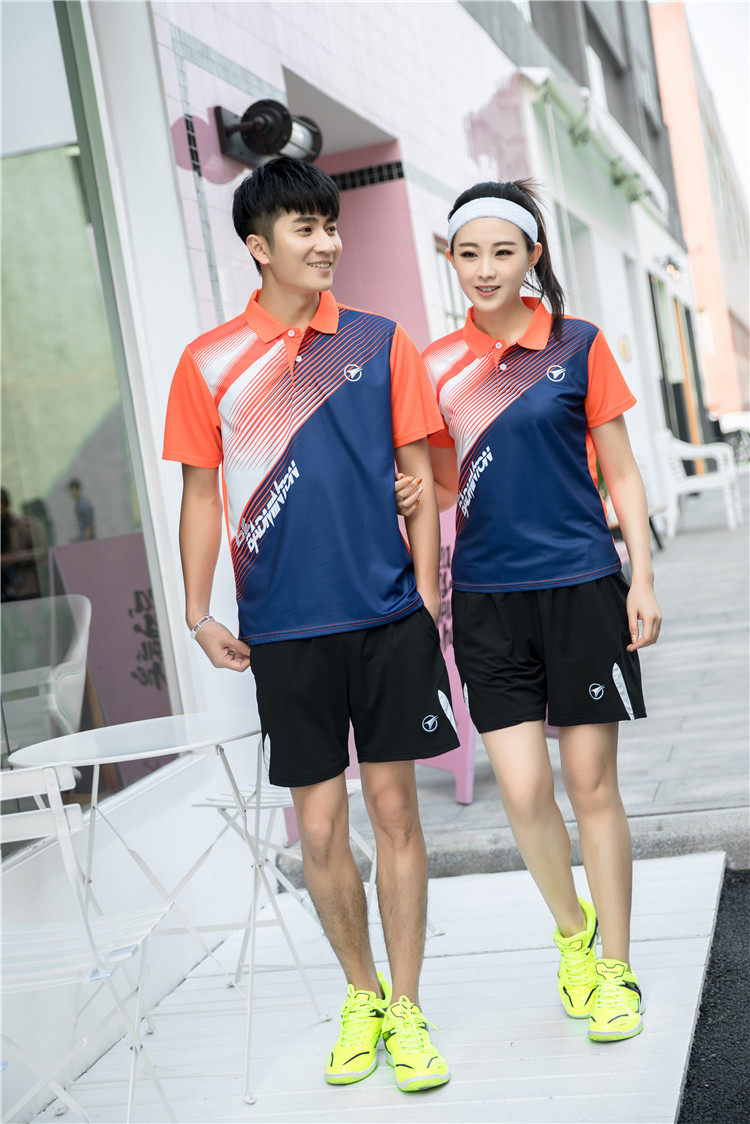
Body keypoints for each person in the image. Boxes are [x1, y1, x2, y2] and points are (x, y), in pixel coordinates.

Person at [163, 157, 457, 1091]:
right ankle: (361, 995)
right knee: (321, 830)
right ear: (259, 246)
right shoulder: (208, 363)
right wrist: (197, 611)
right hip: (284, 630)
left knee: (396, 813)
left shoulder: (378, 341)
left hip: (386, 615)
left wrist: (425, 596)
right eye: (306, 228)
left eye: (331, 226)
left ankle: (406, 1007)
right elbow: (201, 495)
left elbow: (418, 476)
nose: (327, 242)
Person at [396, 179, 662, 1043]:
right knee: (521, 786)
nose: (484, 269)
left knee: (591, 785)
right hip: (485, 602)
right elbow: (443, 483)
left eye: (502, 252)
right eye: (468, 253)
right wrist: (409, 494)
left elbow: (621, 471)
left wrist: (642, 578)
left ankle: (616, 968)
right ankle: (573, 934)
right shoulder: (434, 366)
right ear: (451, 258)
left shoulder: (578, 344)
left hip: (583, 586)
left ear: (532, 257)